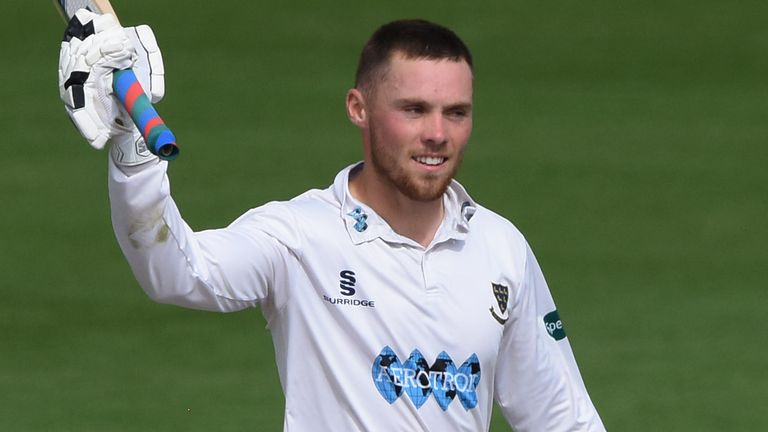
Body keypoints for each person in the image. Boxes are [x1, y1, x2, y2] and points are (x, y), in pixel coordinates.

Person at [59, 9, 606, 431]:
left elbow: (561, 416)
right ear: (359, 108)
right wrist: (134, 150)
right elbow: (176, 271)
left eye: (456, 113)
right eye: (414, 110)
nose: (438, 134)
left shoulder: (500, 249)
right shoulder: (300, 238)